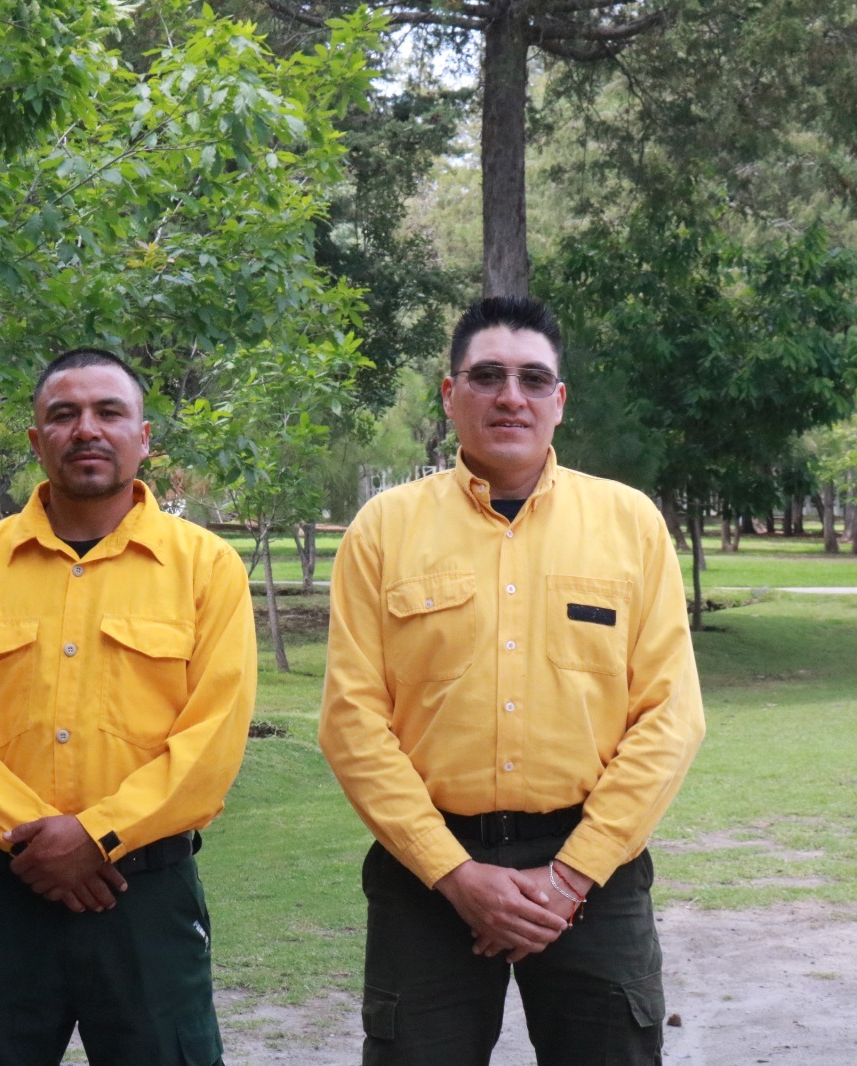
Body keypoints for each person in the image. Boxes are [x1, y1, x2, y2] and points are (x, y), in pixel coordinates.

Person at [318, 296, 706, 1066]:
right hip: (428, 876)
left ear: (559, 400)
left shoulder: (630, 525)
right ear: (449, 394)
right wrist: (455, 874)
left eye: (532, 379)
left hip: (593, 873)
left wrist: (571, 877)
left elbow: (670, 717)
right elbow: (351, 723)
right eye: (487, 376)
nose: (510, 396)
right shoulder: (383, 532)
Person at [0, 348, 257, 1065]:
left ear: (144, 437)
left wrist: (98, 835)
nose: (86, 429)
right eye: (63, 415)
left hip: (144, 897)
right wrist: (40, 843)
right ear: (36, 440)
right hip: (0, 894)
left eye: (109, 412)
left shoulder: (205, 569)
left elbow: (212, 742)